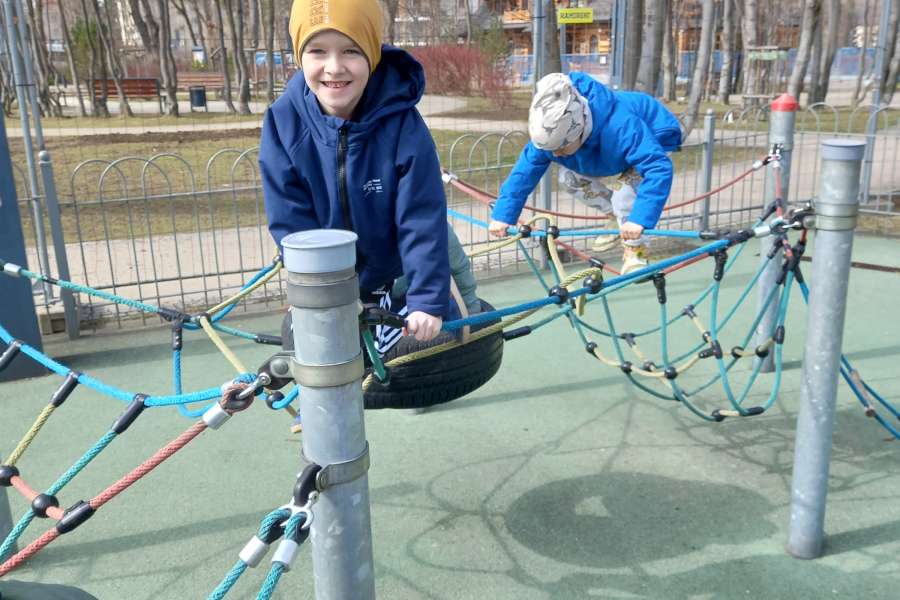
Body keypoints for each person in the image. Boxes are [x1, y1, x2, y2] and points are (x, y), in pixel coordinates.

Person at [260, 0, 478, 430]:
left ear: (373, 56)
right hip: (340, 267)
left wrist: (426, 301)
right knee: (316, 337)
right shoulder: (283, 122)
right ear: (299, 56)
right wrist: (318, 288)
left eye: (351, 52)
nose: (334, 68)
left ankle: (416, 355)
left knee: (439, 331)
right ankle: (331, 406)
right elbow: (290, 221)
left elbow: (420, 216)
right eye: (317, 52)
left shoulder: (401, 123)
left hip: (398, 263)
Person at [488, 72, 682, 275]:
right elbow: (523, 175)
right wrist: (503, 215)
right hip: (604, 152)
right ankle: (613, 215)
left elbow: (657, 167)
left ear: (579, 131)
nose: (555, 154)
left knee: (625, 198)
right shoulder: (550, 141)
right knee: (568, 178)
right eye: (551, 149)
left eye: (561, 148)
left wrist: (639, 219)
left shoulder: (621, 127)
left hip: (653, 134)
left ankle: (636, 252)